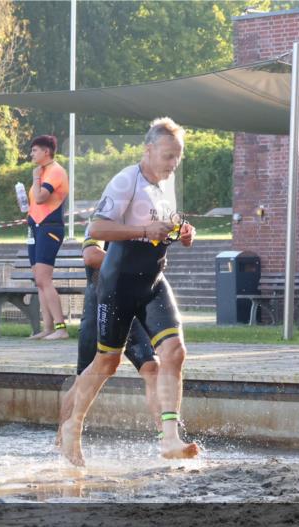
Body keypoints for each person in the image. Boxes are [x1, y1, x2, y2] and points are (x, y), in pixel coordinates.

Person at [56, 118, 199, 466]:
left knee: (175, 352)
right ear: (148, 151)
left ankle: (169, 438)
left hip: (152, 281)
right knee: (106, 362)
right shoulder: (125, 180)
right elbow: (96, 227)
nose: (173, 165)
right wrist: (143, 229)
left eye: (177, 157)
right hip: (117, 285)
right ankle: (70, 430)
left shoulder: (167, 183)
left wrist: (181, 231)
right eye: (167, 157)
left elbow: (166, 221)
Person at [57, 233, 161, 438]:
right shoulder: (105, 216)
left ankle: (166, 437)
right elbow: (91, 256)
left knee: (152, 367)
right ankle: (62, 439)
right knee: (85, 378)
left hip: (129, 305)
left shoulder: (141, 221)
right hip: (101, 306)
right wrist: (135, 266)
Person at [24, 134, 70, 340]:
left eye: (34, 150)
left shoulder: (55, 171)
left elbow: (42, 198)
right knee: (39, 280)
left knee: (44, 278)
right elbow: (34, 202)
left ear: (46, 152)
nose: (31, 153)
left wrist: (35, 178)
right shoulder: (41, 172)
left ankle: (61, 328)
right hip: (34, 227)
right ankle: (48, 327)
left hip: (49, 227)